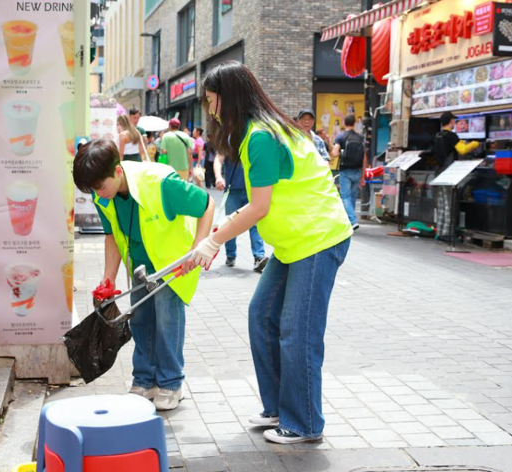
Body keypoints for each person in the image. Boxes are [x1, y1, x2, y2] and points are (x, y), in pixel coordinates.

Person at [193, 61, 352, 444]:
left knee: (298, 332)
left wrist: (214, 241)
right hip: (294, 242)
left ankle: (304, 423)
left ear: (228, 98)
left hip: (317, 239)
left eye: (211, 100)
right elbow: (260, 203)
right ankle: (280, 407)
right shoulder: (261, 130)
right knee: (262, 315)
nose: (210, 109)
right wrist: (218, 232)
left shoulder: (262, 136)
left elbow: (259, 206)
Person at [73, 139, 215, 411]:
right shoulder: (101, 190)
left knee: (167, 323)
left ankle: (172, 384)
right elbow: (112, 234)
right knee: (141, 322)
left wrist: (200, 246)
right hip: (138, 262)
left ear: (117, 171)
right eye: (92, 189)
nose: (97, 194)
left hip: (171, 264)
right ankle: (144, 380)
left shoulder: (160, 183)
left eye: (100, 187)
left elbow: (206, 203)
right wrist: (108, 278)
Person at [213, 154, 269, 272]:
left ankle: (259, 256)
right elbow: (218, 158)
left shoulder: (255, 137)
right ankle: (231, 254)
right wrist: (218, 177)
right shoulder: (230, 139)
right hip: (233, 190)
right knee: (230, 222)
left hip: (253, 189)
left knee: (255, 223)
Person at [433, 111, 479, 243]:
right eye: (454, 120)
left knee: (442, 203)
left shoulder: (438, 135)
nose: (455, 122)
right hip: (449, 173)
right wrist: (475, 144)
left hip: (439, 172)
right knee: (449, 204)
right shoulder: (451, 136)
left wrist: (461, 142)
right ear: (451, 121)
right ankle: (448, 233)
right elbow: (462, 150)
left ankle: (441, 231)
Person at [331, 114, 367, 230]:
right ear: (354, 123)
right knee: (352, 197)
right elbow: (365, 158)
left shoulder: (341, 137)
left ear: (344, 123)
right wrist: (363, 176)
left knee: (345, 197)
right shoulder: (360, 138)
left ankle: (352, 220)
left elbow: (335, 153)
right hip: (357, 171)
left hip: (345, 171)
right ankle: (348, 222)